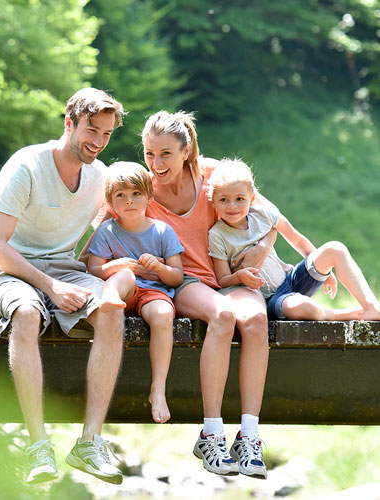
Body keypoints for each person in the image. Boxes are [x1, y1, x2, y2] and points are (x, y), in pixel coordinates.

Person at [0, 88, 127, 485]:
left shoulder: (100, 177)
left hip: (66, 270)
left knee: (113, 311)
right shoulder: (26, 166)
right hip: (9, 271)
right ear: (69, 124)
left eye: (107, 134)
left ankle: (90, 443)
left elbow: (121, 220)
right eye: (91, 130)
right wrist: (50, 287)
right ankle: (39, 446)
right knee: (27, 314)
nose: (98, 141)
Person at [140, 111, 274, 479]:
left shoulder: (215, 176)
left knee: (257, 319)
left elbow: (270, 218)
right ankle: (211, 433)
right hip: (185, 282)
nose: (156, 162)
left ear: (186, 150)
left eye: (165, 153)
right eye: (149, 153)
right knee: (222, 314)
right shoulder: (143, 188)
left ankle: (249, 437)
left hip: (229, 276)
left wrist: (263, 249)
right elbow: (102, 237)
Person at [207, 159, 380, 322]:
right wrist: (239, 277)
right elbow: (222, 279)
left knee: (335, 248)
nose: (232, 206)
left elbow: (297, 240)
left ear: (251, 198)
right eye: (223, 200)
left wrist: (324, 270)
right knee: (304, 308)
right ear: (213, 201)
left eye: (240, 199)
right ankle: (335, 314)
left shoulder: (263, 215)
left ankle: (371, 306)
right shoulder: (217, 235)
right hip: (271, 301)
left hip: (290, 279)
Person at [85, 161, 184, 424]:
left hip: (153, 294)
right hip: (122, 292)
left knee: (163, 315)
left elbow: (177, 276)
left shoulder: (162, 231)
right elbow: (93, 269)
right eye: (121, 196)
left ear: (149, 196)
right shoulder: (107, 230)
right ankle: (109, 297)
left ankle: (158, 389)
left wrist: (160, 267)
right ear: (110, 202)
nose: (129, 201)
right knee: (126, 274)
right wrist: (114, 266)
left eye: (136, 194)